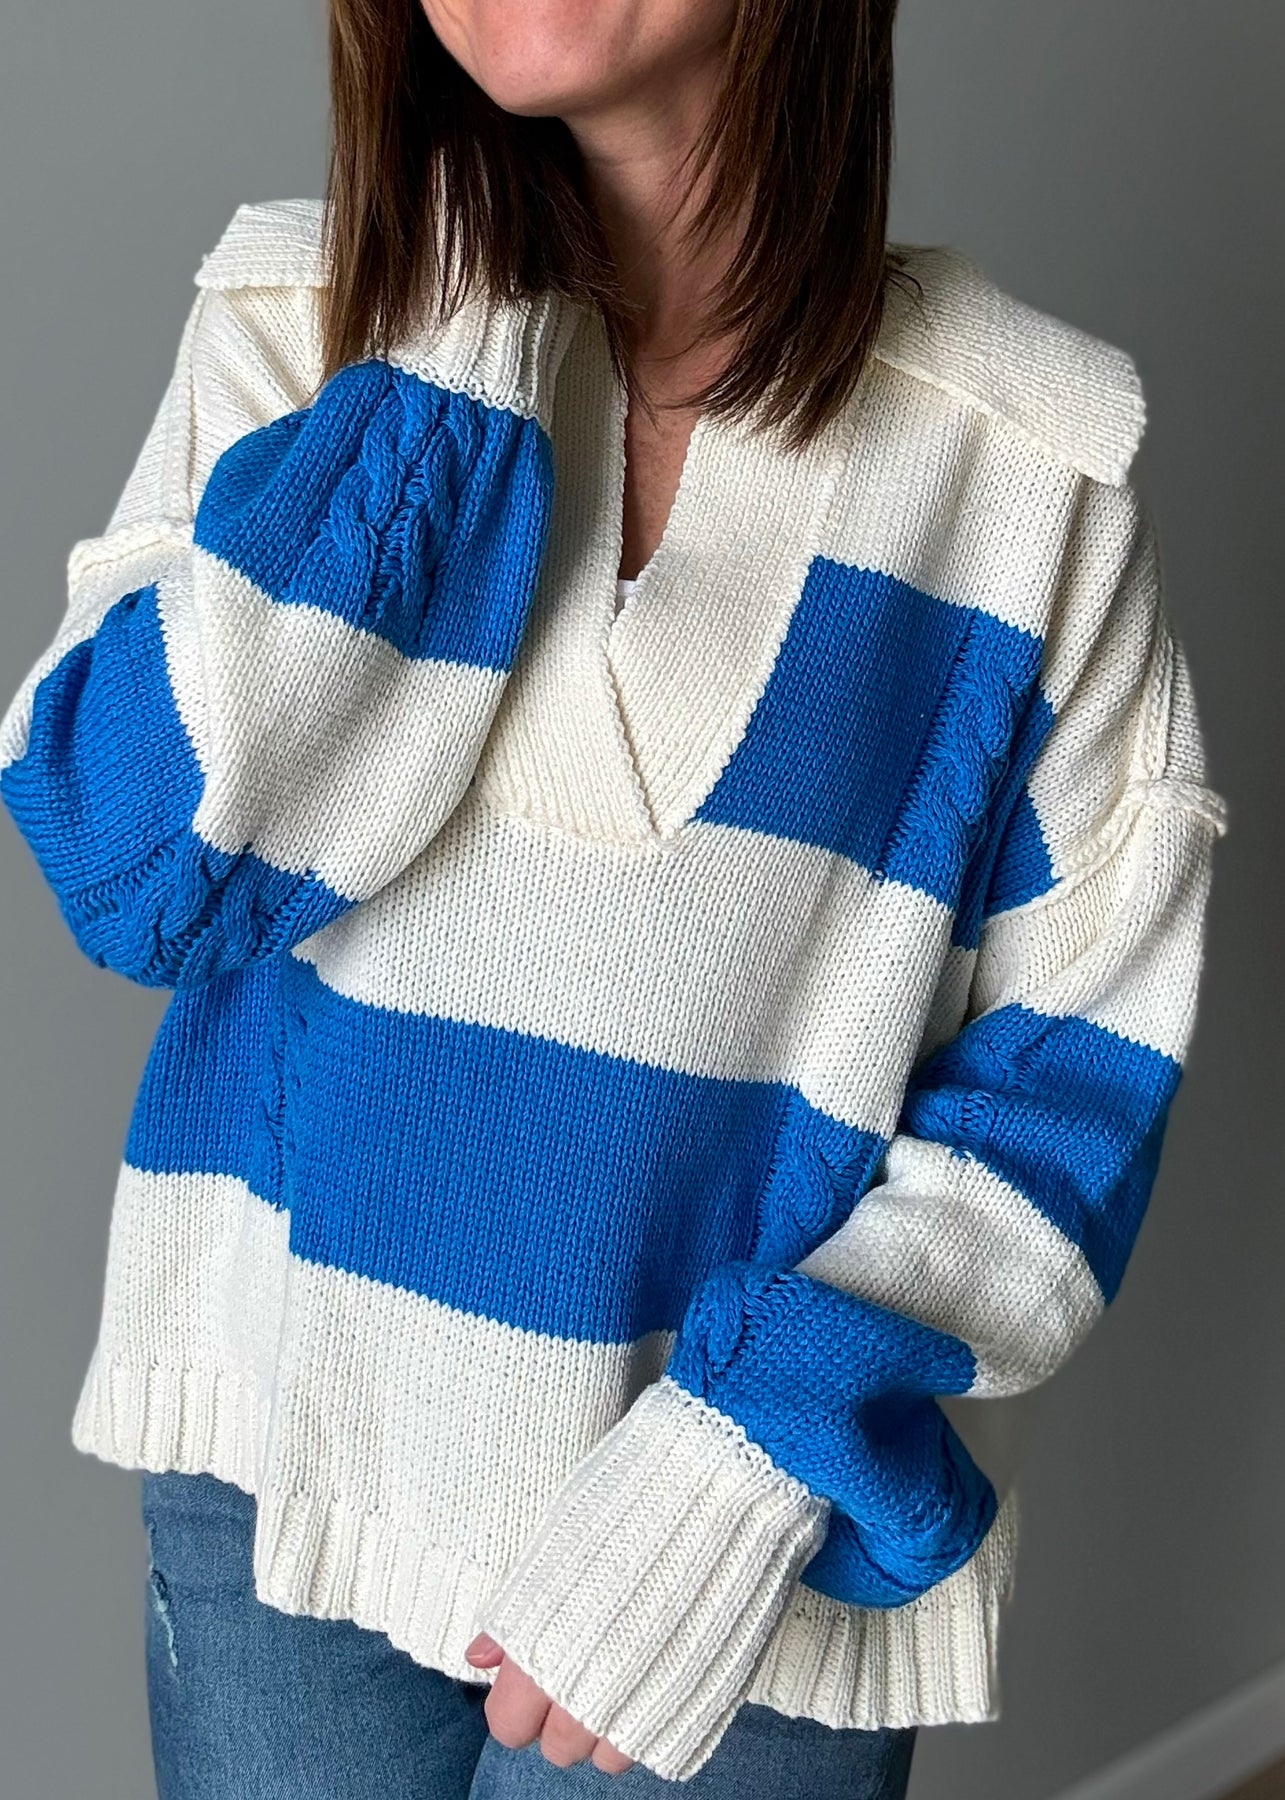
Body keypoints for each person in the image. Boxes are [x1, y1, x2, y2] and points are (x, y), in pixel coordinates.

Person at [0, 0, 1229, 1795]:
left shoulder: (1025, 466)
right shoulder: (296, 323)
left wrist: (736, 1471)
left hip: (725, 1556)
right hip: (282, 1460)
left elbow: (1072, 1080)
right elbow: (143, 872)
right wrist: (453, 335)